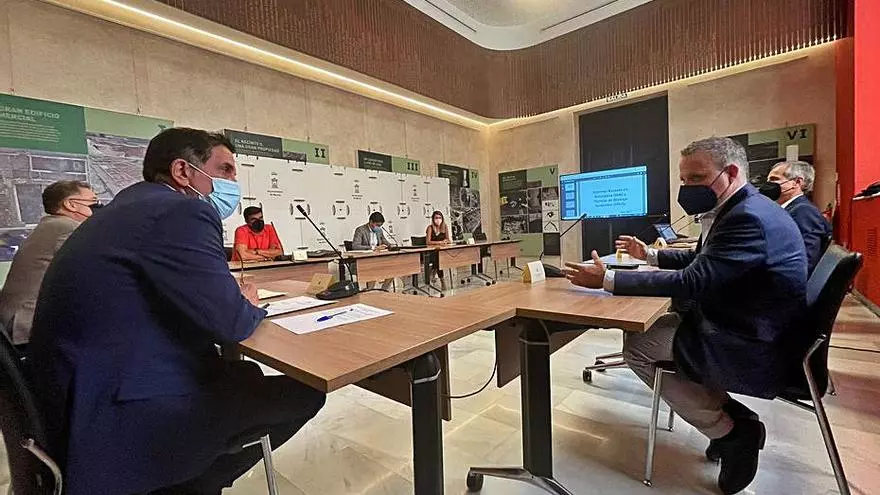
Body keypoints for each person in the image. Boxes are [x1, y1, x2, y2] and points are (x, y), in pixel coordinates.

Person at [28, 128, 325, 495]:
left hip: (75, 396)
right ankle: (190, 484)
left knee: (243, 373)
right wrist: (245, 303)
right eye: (225, 170)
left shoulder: (126, 209)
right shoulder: (181, 211)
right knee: (307, 393)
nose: (233, 182)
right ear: (183, 171)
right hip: (124, 409)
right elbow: (232, 323)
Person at [563, 137, 807, 495]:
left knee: (639, 348)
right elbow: (703, 260)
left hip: (750, 337)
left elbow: (694, 280)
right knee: (648, 334)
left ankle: (731, 431)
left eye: (697, 178)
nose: (687, 187)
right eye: (684, 179)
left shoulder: (747, 218)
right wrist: (650, 255)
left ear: (731, 173)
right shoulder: (743, 207)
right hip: (744, 319)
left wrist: (608, 279)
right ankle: (734, 417)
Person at [0, 180, 98, 347]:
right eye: (94, 203)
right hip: (25, 324)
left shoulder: (51, 225)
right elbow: (93, 271)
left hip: (17, 319)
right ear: (71, 204)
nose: (99, 208)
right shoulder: (67, 227)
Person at [761, 160, 832, 273]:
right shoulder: (789, 209)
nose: (768, 185)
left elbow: (805, 260)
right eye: (768, 180)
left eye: (774, 179)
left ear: (797, 182)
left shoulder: (804, 212)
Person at [351, 212, 394, 290]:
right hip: (365, 260)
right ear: (371, 222)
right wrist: (374, 248)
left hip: (378, 259)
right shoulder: (360, 230)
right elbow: (355, 246)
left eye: (380, 226)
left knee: (393, 270)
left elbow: (385, 241)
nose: (378, 227)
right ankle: (370, 291)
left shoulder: (379, 231)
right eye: (377, 225)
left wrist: (392, 246)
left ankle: (383, 291)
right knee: (372, 271)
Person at [426, 210, 451, 291]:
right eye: (436, 218)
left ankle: (433, 271)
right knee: (438, 258)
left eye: (440, 218)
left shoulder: (445, 227)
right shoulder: (430, 228)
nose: (438, 219)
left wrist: (446, 241)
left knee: (439, 257)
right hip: (432, 252)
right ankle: (443, 281)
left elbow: (449, 240)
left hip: (442, 252)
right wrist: (439, 242)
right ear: (433, 219)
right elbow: (428, 242)